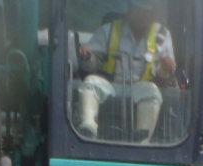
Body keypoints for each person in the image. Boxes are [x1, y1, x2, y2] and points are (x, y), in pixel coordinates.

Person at [74, 1, 176, 142]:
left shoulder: (162, 35)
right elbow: (91, 65)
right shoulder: (109, 30)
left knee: (152, 91)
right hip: (110, 85)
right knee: (90, 82)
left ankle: (141, 138)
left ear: (153, 15)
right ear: (130, 11)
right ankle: (88, 128)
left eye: (147, 13)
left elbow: (163, 73)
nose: (142, 16)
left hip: (140, 86)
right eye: (138, 11)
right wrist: (88, 56)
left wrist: (166, 68)